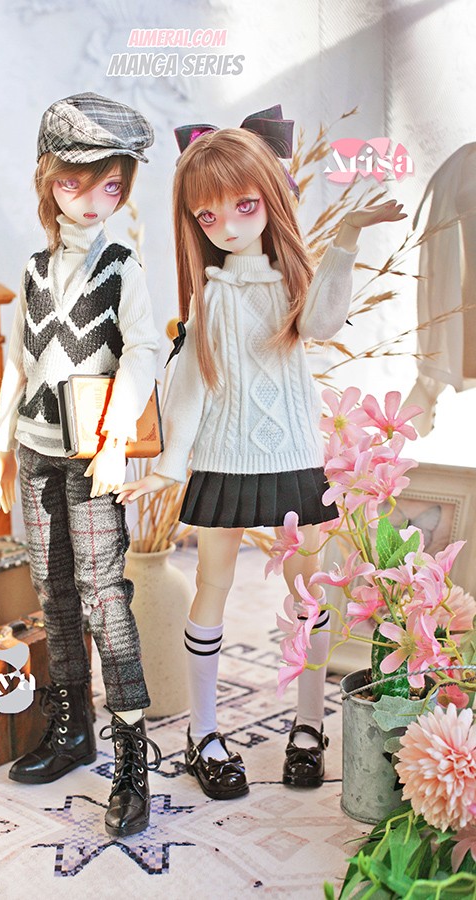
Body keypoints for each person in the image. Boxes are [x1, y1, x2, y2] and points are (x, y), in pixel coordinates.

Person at [117, 111, 405, 799]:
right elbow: (189, 387)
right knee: (213, 584)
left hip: (294, 456)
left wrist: (346, 238)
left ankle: (309, 725)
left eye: (244, 206)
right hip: (223, 459)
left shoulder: (288, 282)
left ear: (272, 199)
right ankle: (204, 732)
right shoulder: (210, 297)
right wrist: (170, 465)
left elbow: (324, 322)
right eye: (208, 215)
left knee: (308, 591)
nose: (226, 225)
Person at [0, 92, 161, 837]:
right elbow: (18, 362)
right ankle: (72, 728)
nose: (92, 201)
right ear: (47, 179)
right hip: (35, 451)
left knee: (102, 595)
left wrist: (118, 433)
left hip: (93, 456)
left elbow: (146, 348)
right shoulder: (32, 270)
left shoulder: (122, 267)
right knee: (52, 591)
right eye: (74, 182)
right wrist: (0, 450)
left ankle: (131, 755)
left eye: (110, 186)